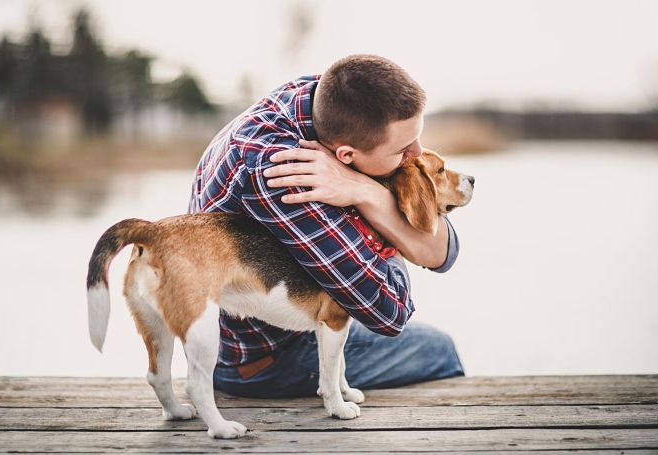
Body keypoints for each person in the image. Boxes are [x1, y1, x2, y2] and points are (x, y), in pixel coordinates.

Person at [188, 54, 464, 398]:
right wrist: (381, 208)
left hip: (312, 321)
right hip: (263, 360)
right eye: (403, 149)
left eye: (418, 138)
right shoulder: (286, 173)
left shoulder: (325, 98)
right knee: (439, 350)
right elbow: (390, 313)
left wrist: (369, 194)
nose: (418, 154)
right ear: (346, 155)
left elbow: (442, 253)